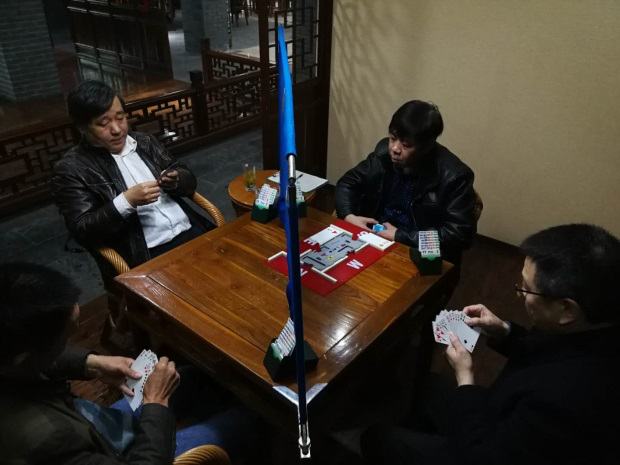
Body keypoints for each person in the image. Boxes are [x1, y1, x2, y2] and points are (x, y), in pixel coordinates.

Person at [361, 224, 620, 465]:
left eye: (527, 289)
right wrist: (503, 330)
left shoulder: (569, 397)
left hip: (489, 446)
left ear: (567, 309)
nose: (519, 294)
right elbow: (546, 351)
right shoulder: (589, 326)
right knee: (427, 386)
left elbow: (484, 457)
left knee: (378, 437)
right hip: (501, 412)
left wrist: (465, 377)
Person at [0, 262, 255, 464]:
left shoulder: (11, 355)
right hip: (116, 454)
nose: (67, 343)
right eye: (65, 337)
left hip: (86, 425)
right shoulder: (47, 442)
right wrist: (156, 402)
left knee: (191, 377)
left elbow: (37, 362)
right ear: (26, 357)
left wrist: (92, 363)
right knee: (247, 419)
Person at [51, 80, 214, 276]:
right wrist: (126, 202)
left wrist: (177, 179)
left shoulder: (145, 142)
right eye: (103, 124)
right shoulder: (71, 169)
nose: (117, 129)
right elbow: (82, 231)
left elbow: (189, 181)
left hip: (191, 230)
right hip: (148, 254)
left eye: (120, 118)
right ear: (82, 127)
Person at [335, 100, 476, 265]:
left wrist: (400, 236)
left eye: (406, 145)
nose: (395, 148)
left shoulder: (455, 176)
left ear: (427, 147)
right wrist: (349, 216)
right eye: (393, 138)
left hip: (417, 251)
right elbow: (348, 182)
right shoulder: (383, 154)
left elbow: (459, 236)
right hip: (375, 237)